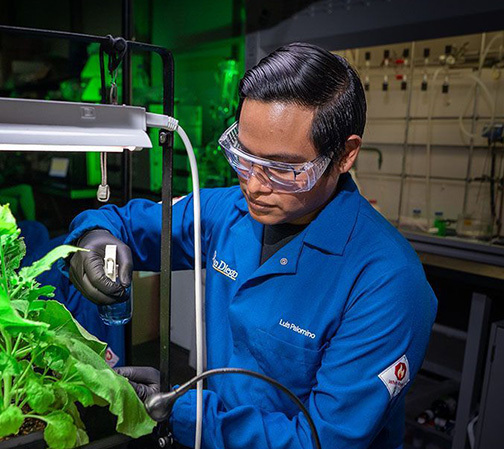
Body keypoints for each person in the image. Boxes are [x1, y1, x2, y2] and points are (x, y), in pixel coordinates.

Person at [65, 43, 437, 449]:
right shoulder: (228, 212)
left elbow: (326, 440)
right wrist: (92, 241)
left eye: (283, 168)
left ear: (344, 155)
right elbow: (122, 223)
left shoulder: (387, 282)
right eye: (243, 155)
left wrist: (183, 411)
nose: (255, 185)